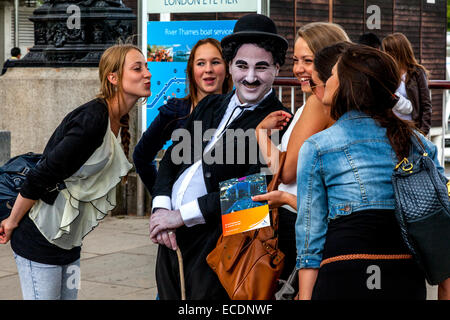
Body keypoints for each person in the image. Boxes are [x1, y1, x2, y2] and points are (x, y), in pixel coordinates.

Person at [148, 13, 290, 300]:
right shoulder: (211, 104)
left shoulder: (279, 122)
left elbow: (255, 192)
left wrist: (181, 216)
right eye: (241, 66)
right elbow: (173, 158)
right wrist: (161, 209)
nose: (250, 77)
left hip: (221, 249)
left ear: (276, 67)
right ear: (230, 66)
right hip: (172, 240)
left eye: (261, 67)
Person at [0, 44, 151, 300]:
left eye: (146, 67)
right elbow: (41, 175)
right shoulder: (93, 119)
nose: (147, 73)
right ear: (113, 78)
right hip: (40, 235)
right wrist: (12, 222)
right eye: (138, 68)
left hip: (68, 240)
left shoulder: (118, 119)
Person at [295, 44, 439, 300]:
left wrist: (305, 296)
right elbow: (439, 224)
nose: (326, 80)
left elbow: (310, 236)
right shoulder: (421, 144)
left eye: (333, 74)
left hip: (344, 272)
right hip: (405, 275)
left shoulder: (318, 146)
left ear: (348, 85)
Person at [252, 22, 350, 280]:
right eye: (295, 60)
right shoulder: (334, 102)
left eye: (308, 60)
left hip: (296, 221)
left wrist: (260, 134)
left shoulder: (317, 103)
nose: (297, 69)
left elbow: (285, 172)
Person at [133, 38, 232, 193]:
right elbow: (141, 156)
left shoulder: (239, 111)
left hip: (224, 210)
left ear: (227, 69)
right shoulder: (176, 111)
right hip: (181, 213)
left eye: (215, 62)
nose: (208, 69)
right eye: (200, 63)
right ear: (192, 71)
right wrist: (162, 197)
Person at [382, 33, 432, 135]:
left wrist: (422, 133)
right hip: (391, 128)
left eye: (388, 51)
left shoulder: (417, 72)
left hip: (412, 128)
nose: (385, 54)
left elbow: (426, 105)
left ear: (398, 52)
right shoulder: (387, 72)